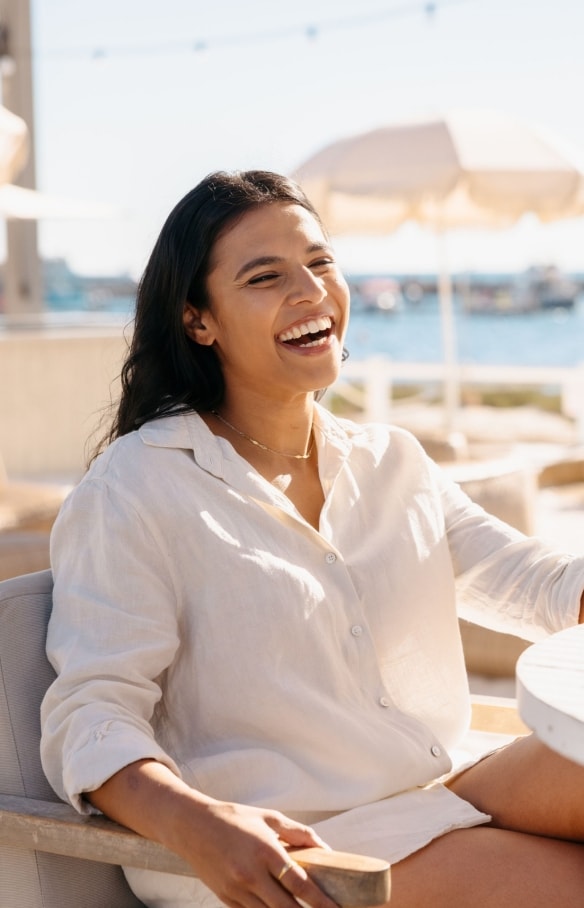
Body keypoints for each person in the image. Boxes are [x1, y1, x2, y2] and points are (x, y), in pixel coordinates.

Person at [40, 170, 584, 908]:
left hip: (430, 789)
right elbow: (90, 715)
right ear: (199, 320)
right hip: (286, 848)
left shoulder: (391, 461)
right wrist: (201, 826)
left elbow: (536, 584)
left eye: (321, 263)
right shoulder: (134, 488)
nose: (311, 292)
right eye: (266, 277)